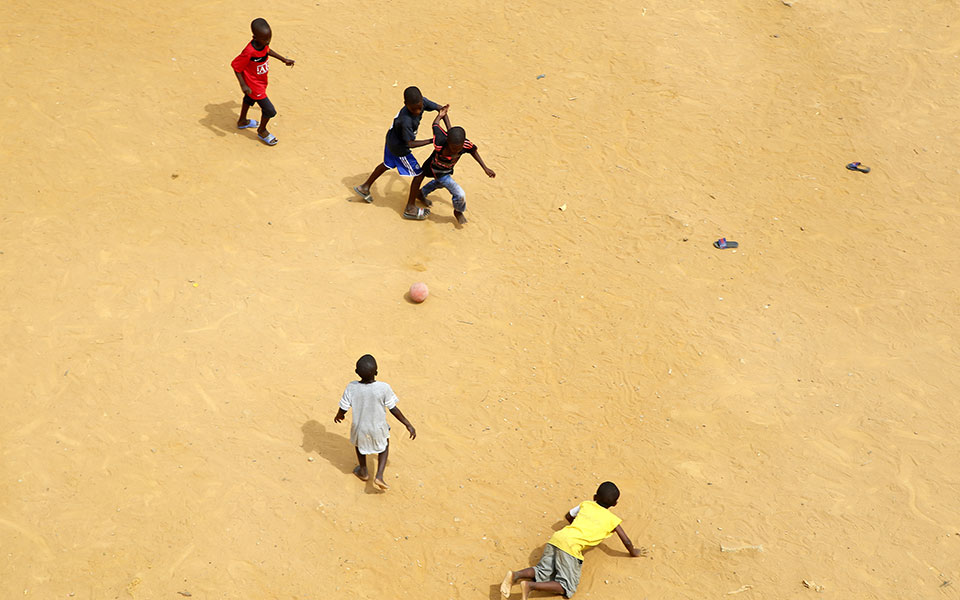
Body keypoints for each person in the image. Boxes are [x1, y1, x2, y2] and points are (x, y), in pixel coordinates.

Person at [500, 482, 646, 599]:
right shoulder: (613, 520)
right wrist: (634, 552)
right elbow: (626, 541)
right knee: (567, 586)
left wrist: (578, 526)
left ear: (595, 497)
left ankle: (515, 575)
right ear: (615, 504)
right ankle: (530, 586)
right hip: (570, 548)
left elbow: (569, 516)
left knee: (543, 571)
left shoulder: (586, 504)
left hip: (558, 538)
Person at [353, 86, 450, 220]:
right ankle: (410, 208)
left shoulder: (421, 102)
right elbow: (409, 144)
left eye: (419, 107)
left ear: (421, 101)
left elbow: (442, 110)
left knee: (387, 164)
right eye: (413, 109)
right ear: (405, 105)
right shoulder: (405, 121)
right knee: (419, 174)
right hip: (400, 148)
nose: (417, 111)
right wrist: (431, 141)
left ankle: (365, 187)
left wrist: (449, 131)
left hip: (391, 138)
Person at [333, 354, 416, 491]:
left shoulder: (351, 387)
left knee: (360, 447)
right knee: (384, 446)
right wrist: (408, 424)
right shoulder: (383, 388)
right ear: (376, 372)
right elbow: (393, 409)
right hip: (378, 428)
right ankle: (379, 475)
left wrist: (339, 415)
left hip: (360, 428)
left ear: (356, 372)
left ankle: (363, 471)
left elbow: (344, 407)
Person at [412, 106, 496, 225]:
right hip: (434, 168)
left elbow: (473, 151)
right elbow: (435, 125)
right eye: (452, 148)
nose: (455, 151)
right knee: (459, 194)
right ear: (447, 142)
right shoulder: (440, 143)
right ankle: (458, 211)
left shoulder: (466, 145)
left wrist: (485, 168)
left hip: (446, 169)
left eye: (459, 148)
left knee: (440, 183)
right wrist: (439, 115)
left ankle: (422, 192)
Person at [231, 18, 295, 146]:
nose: (268, 42)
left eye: (269, 39)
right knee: (270, 111)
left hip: (261, 82)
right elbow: (236, 66)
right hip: (254, 86)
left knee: (249, 99)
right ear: (254, 37)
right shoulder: (249, 51)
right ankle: (262, 130)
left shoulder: (263, 45)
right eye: (265, 39)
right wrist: (243, 84)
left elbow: (267, 50)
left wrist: (283, 59)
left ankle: (242, 121)